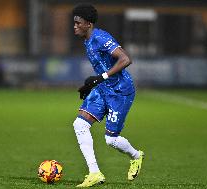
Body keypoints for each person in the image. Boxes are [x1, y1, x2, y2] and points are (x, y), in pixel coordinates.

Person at [72, 3, 144, 187]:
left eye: (78, 23)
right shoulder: (87, 40)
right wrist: (91, 85)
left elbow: (126, 59)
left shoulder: (100, 38)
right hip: (103, 89)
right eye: (74, 22)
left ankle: (136, 156)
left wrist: (101, 77)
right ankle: (94, 173)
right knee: (80, 124)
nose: (75, 26)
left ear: (88, 24)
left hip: (120, 91)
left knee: (111, 140)